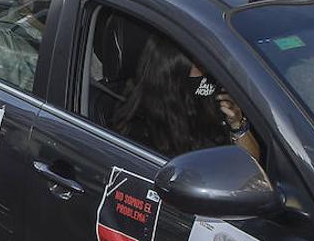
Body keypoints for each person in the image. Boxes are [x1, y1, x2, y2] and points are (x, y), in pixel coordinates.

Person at [109, 33, 261, 159]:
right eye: (199, 66)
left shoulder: (211, 100)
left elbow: (253, 165)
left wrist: (237, 124)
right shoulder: (140, 129)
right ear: (173, 73)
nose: (207, 73)